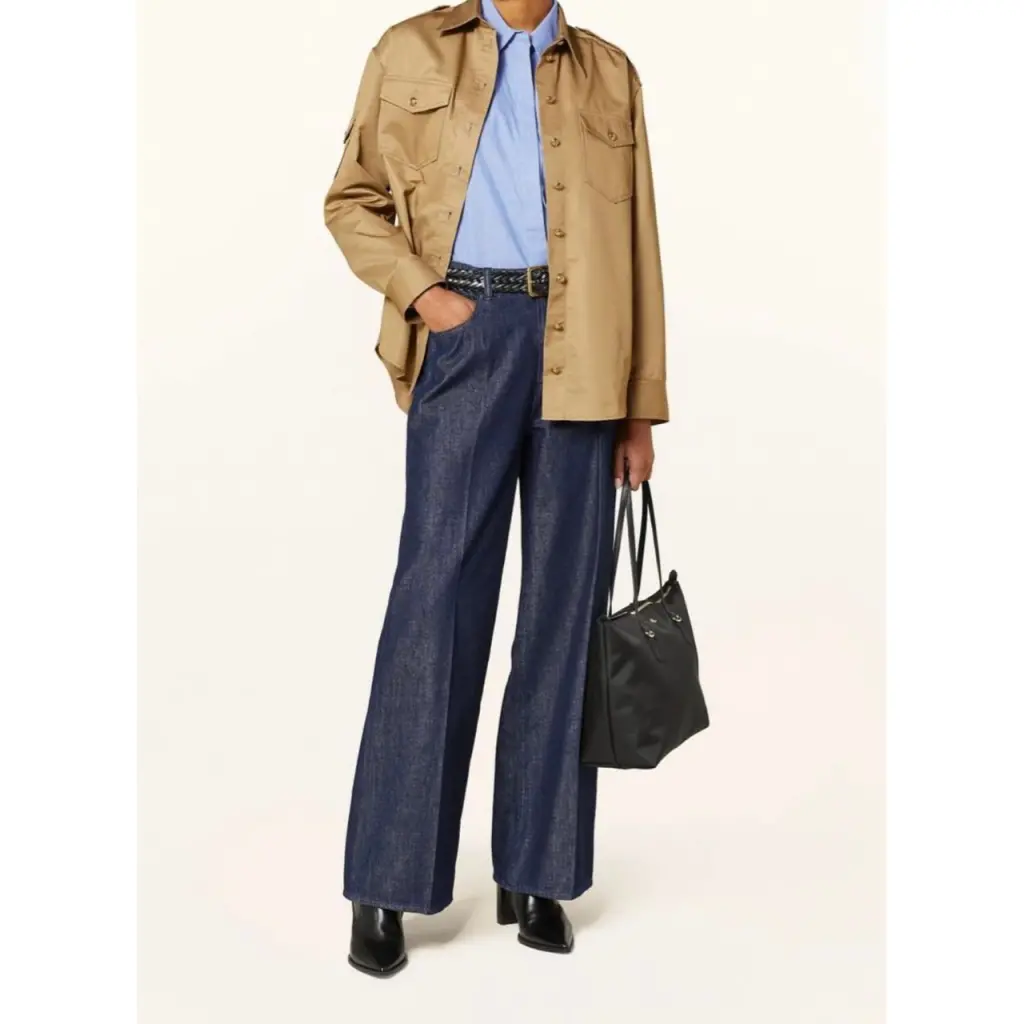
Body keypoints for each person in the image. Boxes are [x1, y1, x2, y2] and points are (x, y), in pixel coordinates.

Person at [324, 0, 668, 976]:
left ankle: (538, 870)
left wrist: (640, 408)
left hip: (585, 352)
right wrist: (427, 297)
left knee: (563, 616)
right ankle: (386, 880)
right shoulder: (409, 50)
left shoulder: (609, 72)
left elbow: (638, 242)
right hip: (467, 335)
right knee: (434, 603)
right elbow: (351, 198)